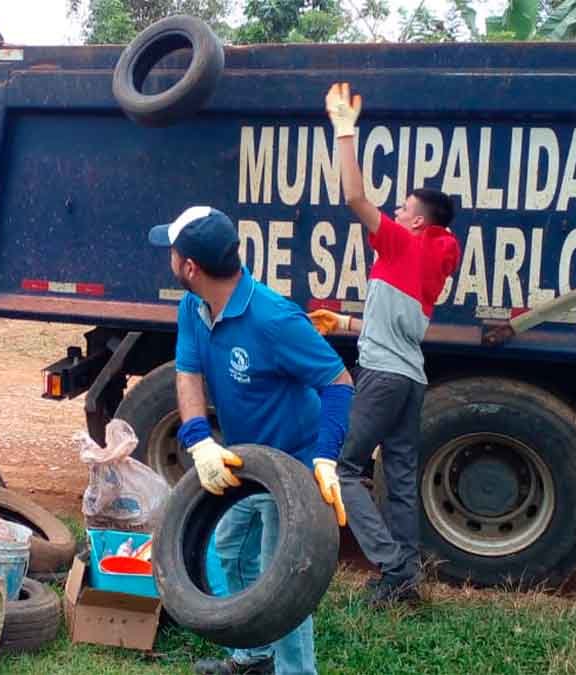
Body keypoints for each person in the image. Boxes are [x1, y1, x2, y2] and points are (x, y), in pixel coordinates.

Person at [148, 206, 355, 675]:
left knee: (282, 583)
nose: (169, 259)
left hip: (293, 469)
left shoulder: (272, 318)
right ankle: (254, 654)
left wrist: (325, 458)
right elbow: (188, 371)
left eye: (172, 252)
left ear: (190, 267)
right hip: (245, 462)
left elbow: (338, 382)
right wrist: (199, 438)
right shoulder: (193, 306)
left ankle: (295, 671)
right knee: (229, 548)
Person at [309, 82, 461, 607]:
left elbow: (354, 197)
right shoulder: (434, 258)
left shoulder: (402, 243)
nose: (394, 213)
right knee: (396, 478)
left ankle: (393, 568)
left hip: (380, 377)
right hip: (410, 378)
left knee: (345, 467)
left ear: (417, 221)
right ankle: (408, 579)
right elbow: (396, 324)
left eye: (402, 208)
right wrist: (346, 321)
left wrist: (345, 131)